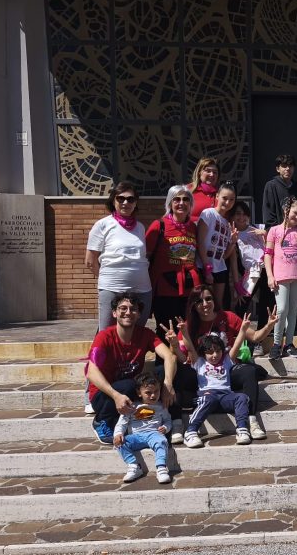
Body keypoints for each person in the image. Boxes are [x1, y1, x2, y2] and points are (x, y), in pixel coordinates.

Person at [182, 284, 278, 439]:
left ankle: (251, 419)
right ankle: (178, 421)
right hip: (203, 375)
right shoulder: (188, 325)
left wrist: (268, 326)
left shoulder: (227, 317)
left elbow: (254, 337)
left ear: (214, 300)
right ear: (193, 305)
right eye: (199, 301)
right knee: (180, 373)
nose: (205, 304)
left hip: (228, 369)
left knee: (249, 371)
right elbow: (183, 351)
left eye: (208, 299)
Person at [85, 292, 179, 445]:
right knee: (129, 385)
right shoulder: (104, 337)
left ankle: (172, 419)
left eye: (133, 309)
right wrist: (115, 395)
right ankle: (101, 421)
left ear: (139, 314)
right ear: (114, 313)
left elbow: (169, 357)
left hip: (129, 393)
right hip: (104, 396)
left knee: (162, 373)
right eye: (123, 308)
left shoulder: (145, 334)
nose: (128, 312)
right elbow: (91, 371)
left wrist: (168, 384)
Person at [85, 181, 152, 331]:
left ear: (135, 203)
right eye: (120, 198)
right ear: (113, 200)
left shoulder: (140, 227)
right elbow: (90, 261)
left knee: (138, 332)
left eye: (130, 199)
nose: (125, 203)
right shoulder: (102, 225)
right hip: (112, 288)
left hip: (142, 288)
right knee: (107, 332)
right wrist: (107, 278)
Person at [146, 185, 200, 355]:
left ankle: (185, 364)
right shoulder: (159, 225)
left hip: (189, 289)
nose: (181, 203)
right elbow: (145, 256)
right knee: (165, 330)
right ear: (170, 203)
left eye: (185, 199)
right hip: (164, 289)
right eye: (177, 199)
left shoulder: (193, 227)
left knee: (187, 329)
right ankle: (164, 364)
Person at [176, 330, 252, 446]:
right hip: (207, 396)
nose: (215, 355)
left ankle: (242, 429)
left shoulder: (227, 361)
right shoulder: (199, 362)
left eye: (218, 351)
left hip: (225, 397)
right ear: (203, 353)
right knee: (209, 398)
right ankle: (190, 431)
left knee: (241, 397)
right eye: (210, 352)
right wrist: (184, 332)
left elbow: (237, 345)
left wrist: (243, 329)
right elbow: (190, 348)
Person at [264, 196, 297, 360]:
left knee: (293, 310)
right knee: (282, 308)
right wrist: (270, 275)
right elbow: (268, 254)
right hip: (280, 276)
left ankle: (289, 344)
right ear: (286, 210)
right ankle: (276, 344)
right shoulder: (274, 231)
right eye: (295, 213)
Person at [112, 371, 173, 484]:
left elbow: (168, 420)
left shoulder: (161, 406)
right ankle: (134, 466)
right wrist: (118, 434)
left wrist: (165, 427)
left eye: (156, 391)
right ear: (139, 393)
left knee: (162, 441)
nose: (153, 395)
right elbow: (122, 423)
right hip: (136, 436)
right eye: (148, 393)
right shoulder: (132, 406)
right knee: (120, 443)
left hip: (154, 434)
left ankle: (161, 468)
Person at [197, 182, 238, 308]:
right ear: (217, 196)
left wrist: (233, 242)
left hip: (219, 268)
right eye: (224, 198)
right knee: (202, 303)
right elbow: (200, 242)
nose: (227, 202)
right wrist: (207, 268)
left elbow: (224, 256)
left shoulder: (228, 223)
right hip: (204, 266)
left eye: (231, 200)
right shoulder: (208, 214)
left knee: (218, 305)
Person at [230, 200, 268, 332]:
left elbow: (274, 244)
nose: (242, 217)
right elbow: (233, 260)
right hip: (250, 272)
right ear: (232, 216)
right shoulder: (232, 234)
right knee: (242, 303)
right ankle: (237, 334)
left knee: (266, 302)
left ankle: (261, 336)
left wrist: (265, 234)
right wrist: (237, 284)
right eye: (238, 214)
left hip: (266, 269)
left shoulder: (258, 228)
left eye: (245, 214)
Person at [262, 154, 297, 227]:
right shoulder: (271, 186)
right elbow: (268, 212)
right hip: (277, 230)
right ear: (278, 169)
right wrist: (274, 230)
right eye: (284, 166)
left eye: (290, 166)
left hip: (295, 230)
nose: (288, 168)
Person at [187, 157, 221, 222]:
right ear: (199, 172)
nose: (212, 174)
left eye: (215, 172)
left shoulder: (221, 193)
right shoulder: (188, 190)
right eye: (208, 171)